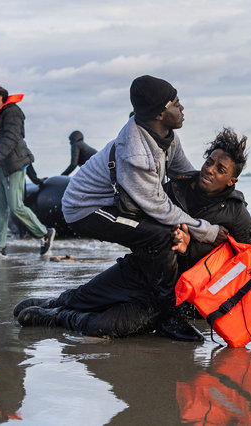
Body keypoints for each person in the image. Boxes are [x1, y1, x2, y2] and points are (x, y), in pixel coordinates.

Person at [16, 128, 251, 344]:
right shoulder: (175, 188)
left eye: (220, 168)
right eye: (209, 161)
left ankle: (56, 317)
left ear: (232, 179)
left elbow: (249, 271)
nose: (209, 169)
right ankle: (56, 302)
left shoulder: (236, 214)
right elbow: (143, 229)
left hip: (173, 294)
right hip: (138, 270)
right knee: (82, 297)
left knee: (107, 326)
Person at [60, 75, 227, 336]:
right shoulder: (135, 153)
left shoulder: (168, 136)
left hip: (119, 202)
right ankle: (168, 316)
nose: (182, 108)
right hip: (86, 207)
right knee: (160, 237)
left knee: (157, 241)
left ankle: (77, 300)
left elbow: (184, 175)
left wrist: (221, 188)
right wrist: (205, 230)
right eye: (177, 103)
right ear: (161, 113)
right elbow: (158, 206)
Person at [0, 84, 55, 257]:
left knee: (16, 206)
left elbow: (11, 138)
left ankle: (44, 233)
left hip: (14, 164)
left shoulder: (13, 112)